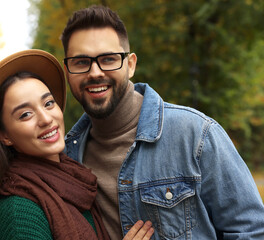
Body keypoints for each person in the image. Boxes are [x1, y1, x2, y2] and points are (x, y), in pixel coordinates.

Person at [61, 5, 264, 240]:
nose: (95, 72)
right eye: (81, 62)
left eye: (108, 59)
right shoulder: (67, 159)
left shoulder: (195, 135)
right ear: (67, 71)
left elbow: (253, 232)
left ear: (131, 64)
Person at [0, 49, 154, 240]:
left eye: (48, 103)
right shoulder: (20, 211)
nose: (46, 119)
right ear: (4, 135)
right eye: (25, 114)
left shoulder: (74, 181)